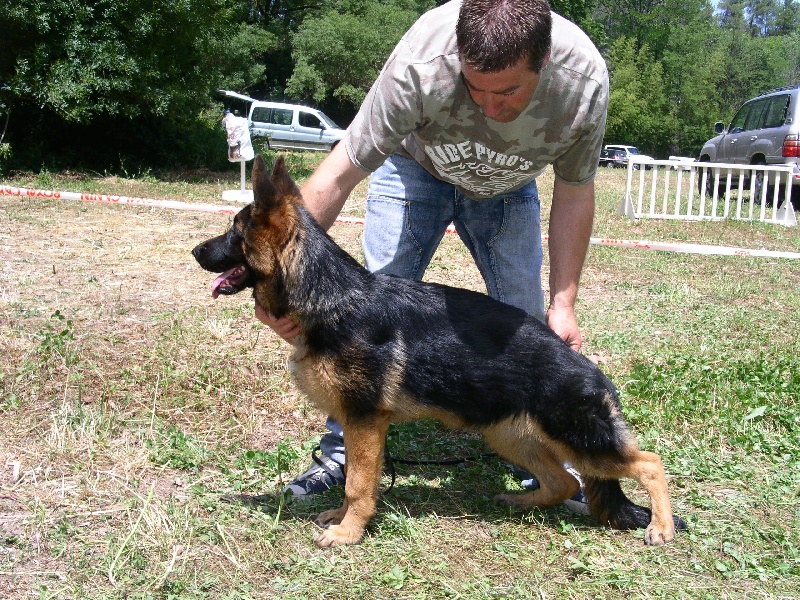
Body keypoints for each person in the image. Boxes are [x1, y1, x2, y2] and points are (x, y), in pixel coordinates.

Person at [256, 0, 607, 513]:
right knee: (361, 325)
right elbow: (340, 170)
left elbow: (575, 191)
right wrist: (286, 283)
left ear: (545, 60)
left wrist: (565, 301)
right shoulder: (420, 62)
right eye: (474, 87)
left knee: (525, 317)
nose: (489, 107)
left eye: (508, 90)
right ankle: (339, 456)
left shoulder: (583, 82)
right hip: (414, 167)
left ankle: (542, 459)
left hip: (509, 188)